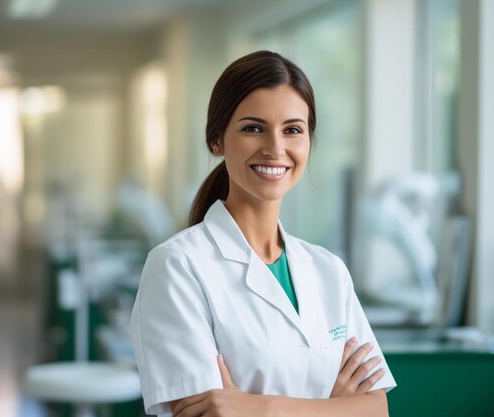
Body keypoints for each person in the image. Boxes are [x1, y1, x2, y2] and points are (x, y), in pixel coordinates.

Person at [130, 50, 396, 417]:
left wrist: (259, 407)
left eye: (293, 130)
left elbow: (377, 409)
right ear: (217, 140)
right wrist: (333, 408)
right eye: (253, 128)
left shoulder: (328, 270)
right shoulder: (178, 266)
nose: (275, 148)